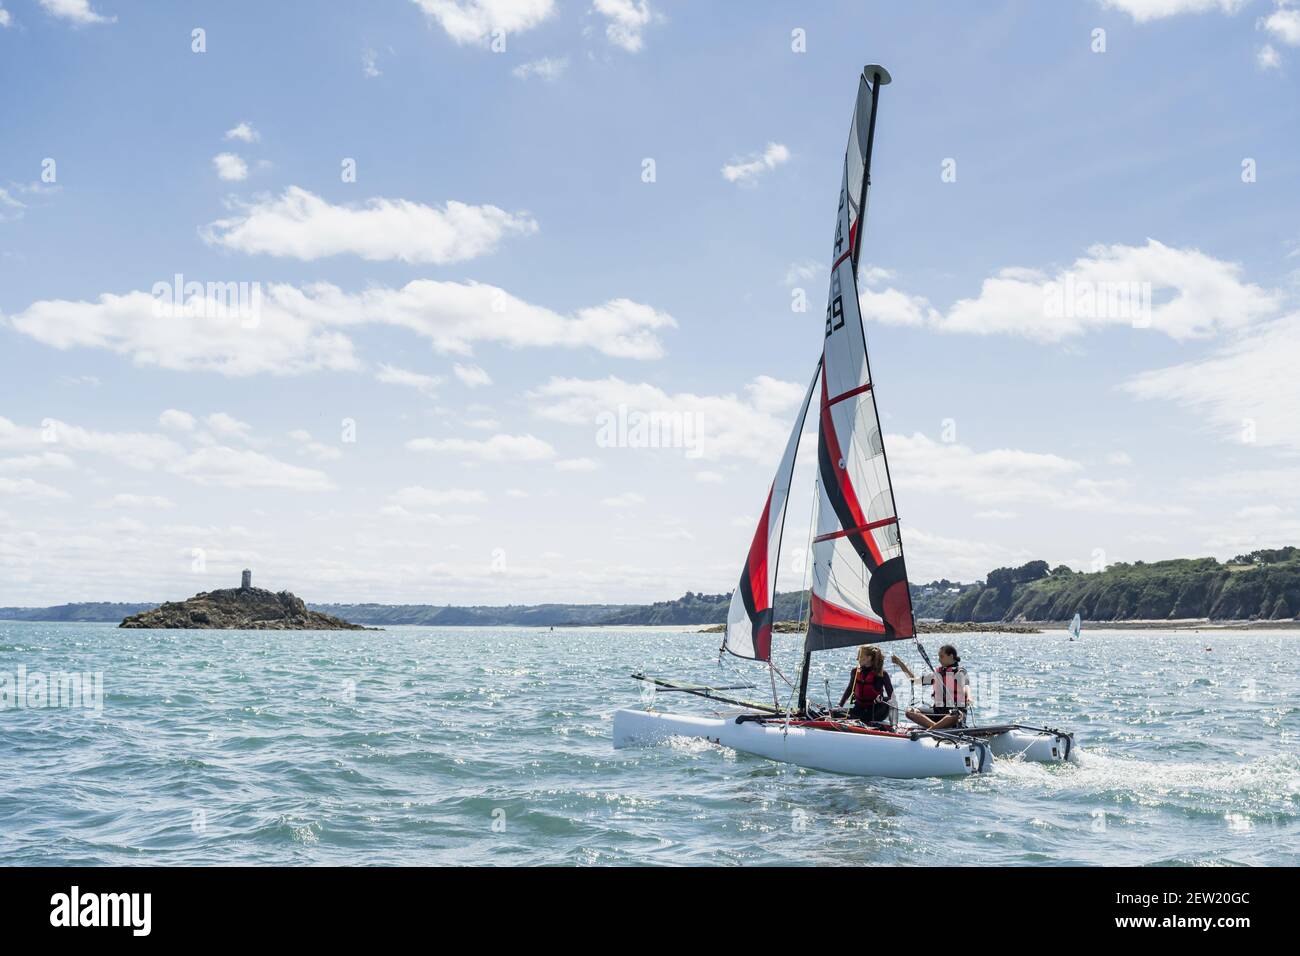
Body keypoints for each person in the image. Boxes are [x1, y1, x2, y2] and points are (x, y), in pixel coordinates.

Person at [891, 644, 971, 730]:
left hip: (953, 714)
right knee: (910, 711)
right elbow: (914, 680)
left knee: (956, 715)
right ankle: (937, 728)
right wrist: (901, 664)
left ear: (951, 656)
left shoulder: (960, 671)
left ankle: (932, 729)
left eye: (941, 656)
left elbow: (966, 686)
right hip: (938, 712)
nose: (939, 659)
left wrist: (969, 697)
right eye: (938, 657)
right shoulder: (937, 674)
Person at [838, 645, 894, 724]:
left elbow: (892, 698)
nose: (857, 659)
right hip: (859, 709)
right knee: (834, 712)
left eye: (860, 656)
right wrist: (840, 706)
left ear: (869, 658)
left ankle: (859, 719)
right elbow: (850, 689)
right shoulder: (855, 672)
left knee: (860, 716)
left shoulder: (882, 674)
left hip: (876, 711)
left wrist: (894, 722)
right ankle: (856, 718)